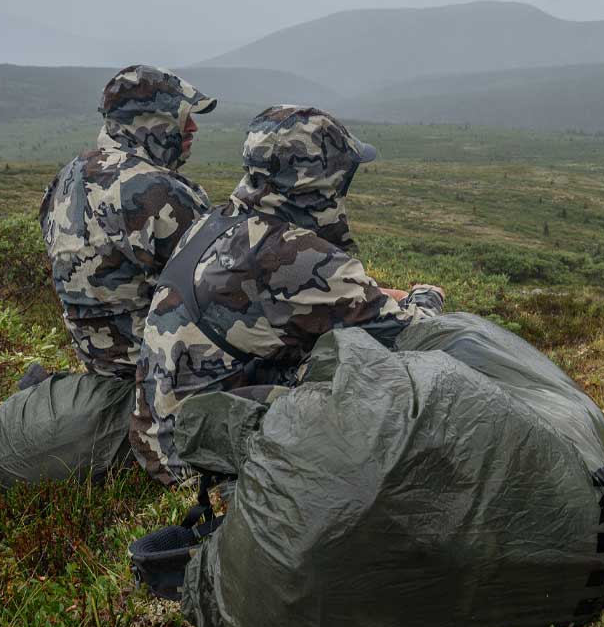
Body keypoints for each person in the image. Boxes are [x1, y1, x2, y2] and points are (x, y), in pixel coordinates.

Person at [130, 104, 446, 484]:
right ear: (322, 180)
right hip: (197, 461)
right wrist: (427, 295)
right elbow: (407, 329)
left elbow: (301, 296)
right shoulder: (293, 253)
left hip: (158, 439)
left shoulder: (216, 222)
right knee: (371, 385)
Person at [38, 65, 216, 379]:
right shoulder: (161, 190)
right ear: (148, 123)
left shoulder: (64, 180)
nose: (193, 128)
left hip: (97, 366)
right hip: (164, 373)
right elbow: (212, 289)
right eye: (181, 117)